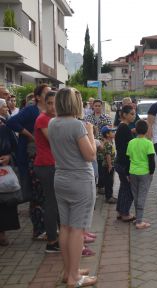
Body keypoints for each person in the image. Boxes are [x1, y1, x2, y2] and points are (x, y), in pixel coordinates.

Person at [48, 87, 97, 287]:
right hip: (79, 180)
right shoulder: (77, 126)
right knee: (78, 229)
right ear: (75, 103)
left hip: (60, 178)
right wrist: (91, 133)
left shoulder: (52, 123)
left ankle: (69, 271)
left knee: (66, 227)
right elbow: (90, 155)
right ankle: (75, 278)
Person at [7, 84, 50, 240]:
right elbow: (12, 122)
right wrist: (29, 135)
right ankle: (38, 230)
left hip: (45, 157)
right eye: (46, 93)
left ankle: (47, 228)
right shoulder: (32, 110)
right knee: (37, 194)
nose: (50, 94)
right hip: (33, 157)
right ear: (38, 97)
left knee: (45, 194)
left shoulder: (49, 111)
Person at [33, 91, 61, 253]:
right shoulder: (43, 119)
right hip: (46, 165)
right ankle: (51, 241)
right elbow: (55, 140)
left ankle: (58, 236)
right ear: (44, 103)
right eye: (49, 103)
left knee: (55, 203)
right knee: (51, 203)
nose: (52, 106)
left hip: (53, 164)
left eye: (55, 103)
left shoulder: (53, 118)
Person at [127, 120, 156, 229]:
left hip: (132, 171)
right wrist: (151, 172)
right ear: (147, 130)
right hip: (144, 172)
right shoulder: (148, 143)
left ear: (136, 129)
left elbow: (128, 158)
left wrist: (127, 173)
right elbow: (151, 160)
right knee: (142, 196)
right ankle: (139, 221)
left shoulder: (131, 142)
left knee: (136, 195)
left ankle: (137, 218)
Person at [0, 98, 19, 246]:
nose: (7, 108)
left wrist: (9, 156)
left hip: (3, 169)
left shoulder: (5, 125)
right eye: (4, 106)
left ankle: (2, 233)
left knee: (4, 201)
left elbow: (15, 145)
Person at [115, 106, 136, 222]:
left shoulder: (123, 127)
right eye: (131, 114)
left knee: (124, 187)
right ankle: (125, 213)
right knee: (129, 189)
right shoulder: (124, 128)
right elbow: (126, 151)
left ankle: (120, 210)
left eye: (134, 114)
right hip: (124, 163)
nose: (133, 116)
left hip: (120, 162)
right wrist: (128, 169)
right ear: (124, 115)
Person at [100, 126, 117, 204]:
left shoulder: (109, 142)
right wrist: (110, 165)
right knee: (109, 182)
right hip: (108, 166)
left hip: (108, 165)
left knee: (110, 181)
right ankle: (109, 197)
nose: (114, 133)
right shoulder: (108, 144)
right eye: (112, 132)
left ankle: (110, 196)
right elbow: (108, 155)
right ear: (107, 134)